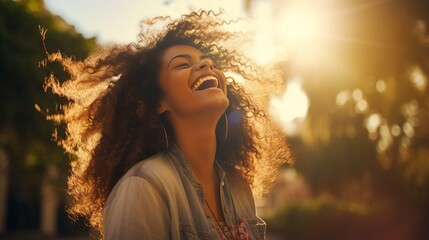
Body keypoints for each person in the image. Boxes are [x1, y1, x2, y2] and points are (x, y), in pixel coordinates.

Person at [42, 10, 291, 239]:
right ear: (158, 103)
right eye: (183, 64)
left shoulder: (239, 187)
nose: (207, 65)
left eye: (208, 62)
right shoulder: (143, 187)